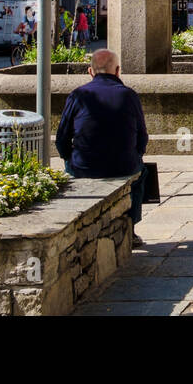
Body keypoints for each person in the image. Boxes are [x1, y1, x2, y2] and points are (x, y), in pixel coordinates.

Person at [54, 49, 148, 241]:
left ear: (90, 71)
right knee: (142, 174)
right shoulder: (129, 95)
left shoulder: (77, 95)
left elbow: (62, 138)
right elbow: (142, 137)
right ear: (118, 71)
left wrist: (68, 158)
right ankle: (131, 226)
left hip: (83, 166)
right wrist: (136, 155)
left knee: (68, 171)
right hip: (123, 166)